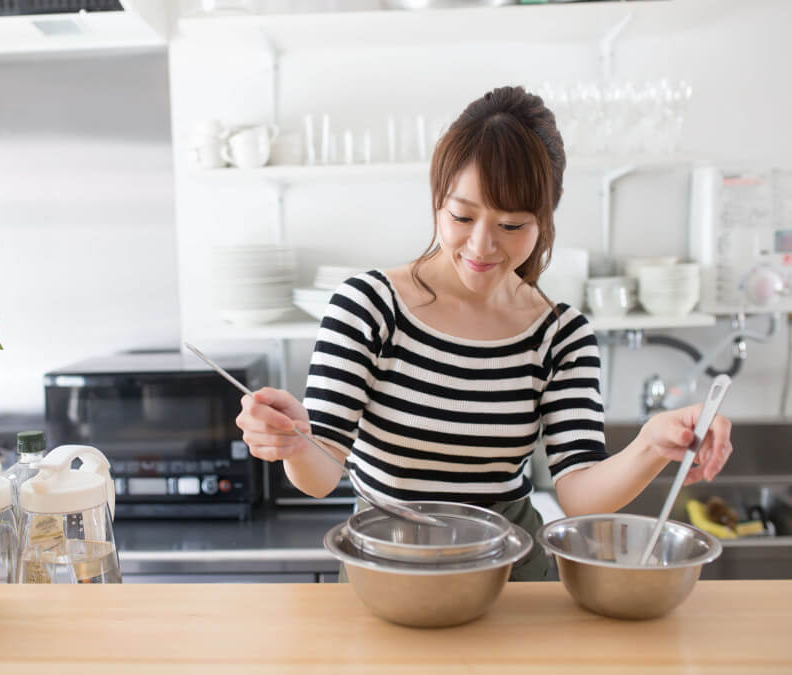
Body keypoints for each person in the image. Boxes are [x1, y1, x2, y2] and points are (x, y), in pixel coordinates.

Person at [234, 85, 733, 580]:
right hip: (388, 573)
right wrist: (296, 443)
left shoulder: (560, 335)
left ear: (545, 221)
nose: (482, 244)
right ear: (437, 202)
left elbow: (579, 493)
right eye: (462, 216)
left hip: (509, 581)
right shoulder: (367, 307)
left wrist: (650, 445)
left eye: (512, 225)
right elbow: (320, 477)